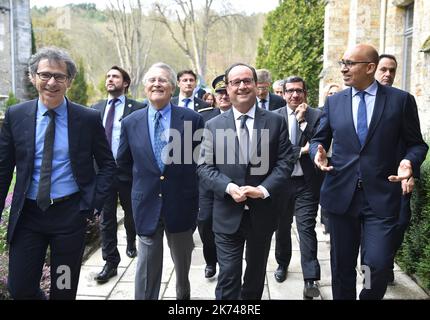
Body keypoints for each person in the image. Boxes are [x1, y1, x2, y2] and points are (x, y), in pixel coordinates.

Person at [310, 44, 428, 300]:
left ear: (370, 68)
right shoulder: (334, 102)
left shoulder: (400, 100)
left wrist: (409, 161)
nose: (343, 68)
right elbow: (317, 140)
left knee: (376, 265)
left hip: (382, 197)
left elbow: (417, 144)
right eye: (343, 62)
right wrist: (316, 155)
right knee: (342, 266)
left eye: (350, 63)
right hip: (341, 196)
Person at [0, 47, 116, 299]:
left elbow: (108, 165)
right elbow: (3, 168)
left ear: (69, 81)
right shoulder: (16, 115)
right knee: (20, 288)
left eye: (59, 76)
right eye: (45, 75)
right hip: (28, 217)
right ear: (33, 77)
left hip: (69, 219)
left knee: (63, 288)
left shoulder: (87, 119)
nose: (51, 82)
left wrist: (92, 204)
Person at [198, 63, 293, 300]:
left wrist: (263, 189)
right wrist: (229, 187)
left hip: (262, 213)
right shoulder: (213, 125)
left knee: (255, 276)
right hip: (227, 212)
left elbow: (285, 162)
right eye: (235, 82)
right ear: (227, 89)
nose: (241, 86)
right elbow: (204, 166)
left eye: (246, 81)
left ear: (255, 85)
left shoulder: (275, 121)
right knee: (228, 274)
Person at [117, 62, 204, 300]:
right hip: (145, 205)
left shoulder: (193, 120)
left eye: (163, 80)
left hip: (182, 205)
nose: (157, 84)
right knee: (146, 269)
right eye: (152, 80)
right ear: (144, 86)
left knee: (182, 266)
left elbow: (202, 163)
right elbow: (122, 165)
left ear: (173, 88)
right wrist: (134, 194)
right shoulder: (130, 122)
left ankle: (182, 297)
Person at [91, 66, 145, 284]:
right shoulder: (95, 109)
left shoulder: (138, 108)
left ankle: (131, 240)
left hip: (128, 173)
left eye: (115, 76)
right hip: (103, 173)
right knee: (106, 219)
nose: (110, 79)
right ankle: (111, 262)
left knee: (132, 215)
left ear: (125, 83)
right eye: (108, 76)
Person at [274, 76, 324, 299]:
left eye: (299, 91)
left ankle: (310, 279)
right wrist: (300, 151)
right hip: (281, 184)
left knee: (306, 229)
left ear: (305, 93)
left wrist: (303, 123)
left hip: (307, 183)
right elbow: (275, 152)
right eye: (290, 91)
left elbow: (321, 145)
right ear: (283, 94)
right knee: (282, 228)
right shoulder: (273, 118)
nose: (295, 95)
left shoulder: (317, 116)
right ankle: (282, 264)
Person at [375, 53, 414, 285]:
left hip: (396, 181)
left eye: (392, 70)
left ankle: (385, 263)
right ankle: (374, 273)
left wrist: (412, 171)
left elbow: (415, 143)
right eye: (383, 69)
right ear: (372, 70)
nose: (388, 74)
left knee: (399, 225)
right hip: (367, 185)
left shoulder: (402, 101)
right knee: (370, 248)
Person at [197, 75, 232, 279]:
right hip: (207, 181)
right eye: (219, 93)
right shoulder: (203, 117)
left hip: (232, 179)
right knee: (205, 221)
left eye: (225, 92)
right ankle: (211, 260)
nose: (223, 96)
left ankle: (228, 263)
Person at [319, 82, 342, 234]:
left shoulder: (344, 111)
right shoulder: (320, 112)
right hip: (325, 158)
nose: (333, 96)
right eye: (330, 93)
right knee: (326, 190)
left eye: (336, 93)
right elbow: (317, 136)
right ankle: (326, 221)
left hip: (340, 158)